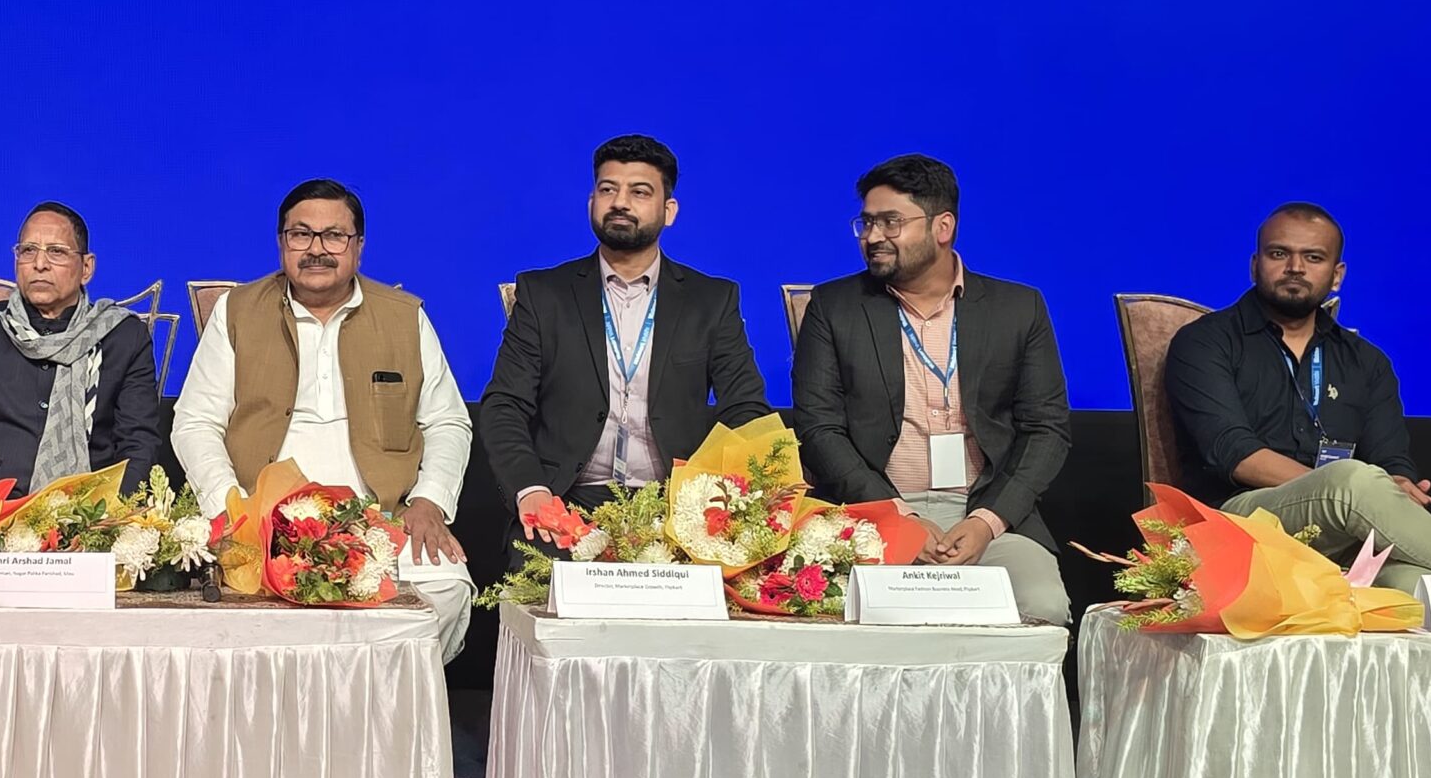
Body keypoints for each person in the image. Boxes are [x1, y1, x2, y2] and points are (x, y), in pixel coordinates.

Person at [171, 178, 477, 657]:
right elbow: (195, 422)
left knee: (446, 588)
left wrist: (429, 501)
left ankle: (377, 701)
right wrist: (228, 505)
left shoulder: (404, 316)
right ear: (281, 243)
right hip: (264, 519)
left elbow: (447, 423)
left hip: (382, 516)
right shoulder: (238, 310)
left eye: (334, 236)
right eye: (301, 235)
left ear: (359, 247)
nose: (317, 249)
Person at [792, 153, 1072, 625]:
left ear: (943, 227)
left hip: (989, 516)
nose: (873, 236)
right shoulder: (834, 306)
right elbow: (820, 429)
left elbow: (1047, 430)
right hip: (875, 513)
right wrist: (897, 518)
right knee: (845, 613)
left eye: (891, 222)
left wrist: (986, 522)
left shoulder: (1017, 308)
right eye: (867, 222)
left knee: (1043, 608)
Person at [481, 134, 774, 541]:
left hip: (677, 505)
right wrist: (531, 489)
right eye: (607, 189)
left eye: (639, 192)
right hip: (565, 502)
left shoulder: (710, 300)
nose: (620, 202)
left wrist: (723, 495)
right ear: (591, 202)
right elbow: (505, 405)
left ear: (669, 211)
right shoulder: (544, 294)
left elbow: (745, 407)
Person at [1163, 204, 1431, 596]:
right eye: (1279, 253)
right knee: (1352, 480)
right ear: (1255, 265)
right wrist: (1338, 490)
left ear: (1337, 275)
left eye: (1314, 257)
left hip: (1345, 533)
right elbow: (1233, 452)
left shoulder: (1367, 362)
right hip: (1241, 520)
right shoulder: (1205, 342)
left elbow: (1391, 462)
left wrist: (1397, 485)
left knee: (1417, 585)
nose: (1295, 268)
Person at [0, 202, 164, 535]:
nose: (39, 264)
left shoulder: (123, 337)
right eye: (28, 251)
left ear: (86, 267)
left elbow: (138, 442)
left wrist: (106, 518)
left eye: (56, 252)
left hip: (93, 519)